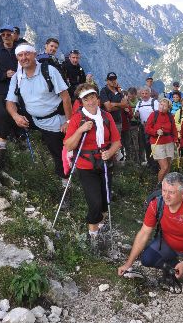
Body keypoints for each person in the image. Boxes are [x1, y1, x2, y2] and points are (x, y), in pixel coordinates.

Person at [117, 172, 183, 295]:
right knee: (147, 258)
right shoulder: (156, 205)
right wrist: (128, 263)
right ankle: (172, 268)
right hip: (169, 244)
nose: (166, 196)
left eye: (171, 192)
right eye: (164, 190)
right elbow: (143, 233)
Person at [0, 44, 72, 182]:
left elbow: (66, 97)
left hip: (53, 120)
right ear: (17, 58)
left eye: (27, 54)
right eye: (20, 55)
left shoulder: (49, 71)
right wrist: (16, 116)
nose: (24, 58)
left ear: (34, 55)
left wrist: (69, 122)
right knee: (3, 113)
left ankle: (65, 186)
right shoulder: (17, 76)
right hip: (32, 118)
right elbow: (10, 101)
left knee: (58, 154)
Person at [64, 83, 121, 248]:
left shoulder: (106, 117)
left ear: (98, 98)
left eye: (93, 97)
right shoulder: (77, 119)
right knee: (94, 203)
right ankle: (93, 236)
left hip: (105, 164)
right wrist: (80, 130)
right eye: (86, 99)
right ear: (81, 102)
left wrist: (110, 153)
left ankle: (100, 229)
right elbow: (68, 146)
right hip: (86, 166)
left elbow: (117, 141)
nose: (90, 102)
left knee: (104, 201)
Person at [0, 25, 26, 166]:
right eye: (3, 35)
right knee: (2, 114)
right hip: (2, 89)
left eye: (9, 34)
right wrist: (4, 75)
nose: (6, 37)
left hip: (19, 90)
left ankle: (12, 145)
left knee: (15, 115)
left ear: (14, 35)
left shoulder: (20, 52)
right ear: (0, 36)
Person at [145, 98, 178, 183]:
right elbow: (147, 128)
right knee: (164, 167)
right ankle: (159, 186)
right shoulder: (154, 114)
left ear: (168, 108)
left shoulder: (170, 116)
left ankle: (166, 184)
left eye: (164, 105)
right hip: (157, 143)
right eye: (161, 104)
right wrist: (156, 132)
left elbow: (174, 129)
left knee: (168, 166)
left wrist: (175, 140)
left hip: (169, 142)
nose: (162, 107)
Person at [135, 87, 158, 168]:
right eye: (143, 93)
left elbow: (157, 115)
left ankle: (155, 164)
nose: (144, 95)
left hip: (152, 128)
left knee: (153, 146)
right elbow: (136, 114)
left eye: (146, 93)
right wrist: (136, 115)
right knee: (145, 146)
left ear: (150, 93)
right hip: (142, 128)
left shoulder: (154, 102)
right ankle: (149, 162)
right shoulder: (139, 103)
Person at [124, 87, 141, 164]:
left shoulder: (139, 103)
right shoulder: (126, 102)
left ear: (135, 94)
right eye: (129, 96)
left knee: (136, 143)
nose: (130, 97)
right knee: (128, 143)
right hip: (127, 124)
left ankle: (137, 160)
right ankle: (129, 159)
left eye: (131, 96)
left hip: (136, 125)